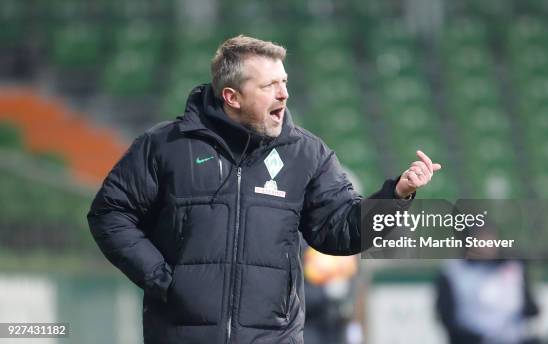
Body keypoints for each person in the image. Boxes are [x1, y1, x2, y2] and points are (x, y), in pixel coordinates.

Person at [87, 35, 441, 344]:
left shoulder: (307, 153)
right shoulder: (165, 146)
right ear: (232, 96)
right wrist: (160, 277)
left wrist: (396, 196)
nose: (284, 93)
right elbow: (110, 214)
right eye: (269, 85)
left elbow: (341, 231)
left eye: (284, 81)